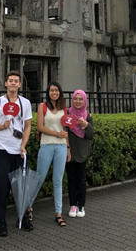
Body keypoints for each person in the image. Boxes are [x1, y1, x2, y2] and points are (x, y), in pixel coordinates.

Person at [0, 70, 33, 237]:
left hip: (18, 150)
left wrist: (23, 145)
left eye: (16, 81)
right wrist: (2, 127)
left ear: (20, 84)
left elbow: (27, 126)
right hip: (1, 148)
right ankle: (1, 221)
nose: (13, 83)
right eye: (10, 80)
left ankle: (23, 218)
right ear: (5, 83)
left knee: (21, 186)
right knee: (1, 187)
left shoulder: (25, 103)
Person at [28, 81, 70, 227]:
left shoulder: (64, 108)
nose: (54, 93)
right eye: (52, 90)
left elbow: (66, 129)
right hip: (46, 145)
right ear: (48, 92)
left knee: (58, 181)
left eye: (57, 90)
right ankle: (28, 206)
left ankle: (58, 213)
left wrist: (68, 147)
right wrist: (57, 134)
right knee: (39, 178)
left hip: (61, 147)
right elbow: (40, 127)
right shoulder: (42, 107)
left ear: (60, 92)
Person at [66, 89, 94, 218]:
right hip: (70, 151)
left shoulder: (87, 116)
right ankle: (73, 205)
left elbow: (90, 136)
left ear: (84, 100)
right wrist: (67, 149)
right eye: (75, 99)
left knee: (81, 179)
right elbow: (64, 130)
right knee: (71, 179)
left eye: (80, 99)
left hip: (82, 152)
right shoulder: (68, 113)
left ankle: (81, 205)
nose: (77, 101)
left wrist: (87, 125)